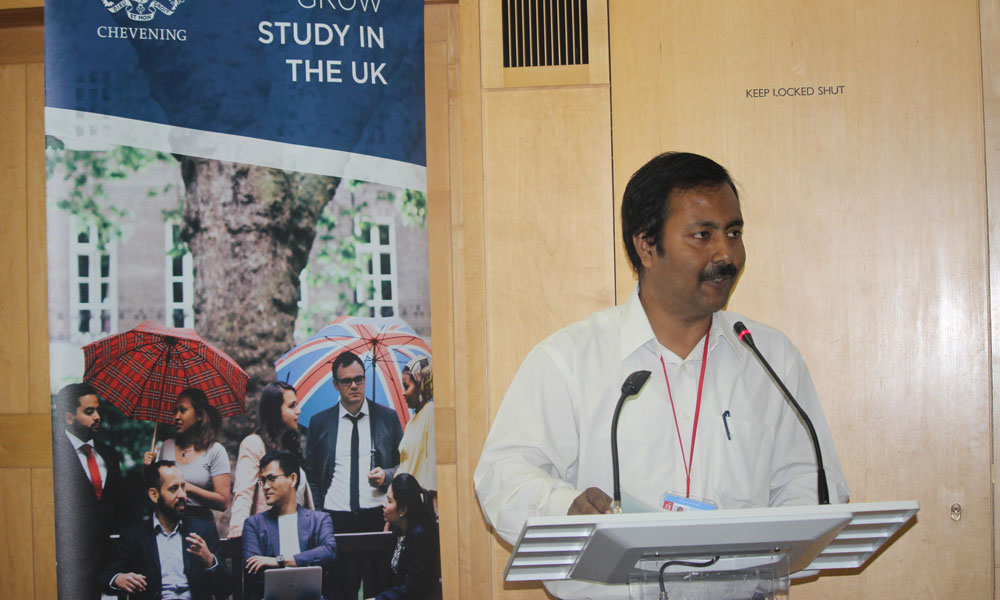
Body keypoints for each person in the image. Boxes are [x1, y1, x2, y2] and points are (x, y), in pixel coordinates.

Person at [473, 151, 850, 598]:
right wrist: (565, 507)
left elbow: (811, 483)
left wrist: (775, 544)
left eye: (733, 233)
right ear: (646, 246)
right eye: (702, 235)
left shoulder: (771, 359)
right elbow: (503, 475)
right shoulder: (572, 359)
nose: (726, 254)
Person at [304, 350, 404, 600]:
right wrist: (320, 514)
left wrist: (387, 476)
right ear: (336, 384)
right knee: (339, 590)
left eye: (359, 379)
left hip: (377, 516)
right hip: (336, 517)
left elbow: (405, 466)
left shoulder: (386, 418)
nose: (354, 386)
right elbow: (312, 475)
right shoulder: (320, 422)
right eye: (347, 381)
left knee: (379, 588)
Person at [101, 460, 230, 599]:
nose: (182, 495)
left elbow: (226, 588)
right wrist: (118, 578)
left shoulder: (202, 529)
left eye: (183, 487)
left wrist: (209, 560)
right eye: (174, 488)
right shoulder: (134, 535)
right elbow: (107, 576)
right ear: (154, 495)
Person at [52, 382, 127, 600]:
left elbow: (122, 508)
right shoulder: (53, 457)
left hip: (109, 568)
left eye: (97, 410)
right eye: (89, 411)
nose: (97, 417)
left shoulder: (108, 454)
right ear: (68, 417)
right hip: (71, 569)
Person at [242, 451, 337, 600]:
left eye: (272, 478)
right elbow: (254, 568)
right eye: (263, 480)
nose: (266, 486)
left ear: (292, 479)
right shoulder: (254, 524)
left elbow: (328, 552)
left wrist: (279, 561)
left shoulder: (318, 520)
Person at [229, 381, 315, 538]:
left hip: (297, 535)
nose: (299, 411)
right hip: (268, 536)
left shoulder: (290, 447)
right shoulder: (254, 444)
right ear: (275, 411)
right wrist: (238, 533)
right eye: (292, 406)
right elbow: (243, 493)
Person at [144, 388, 231, 529]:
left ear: (199, 416)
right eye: (174, 411)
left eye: (183, 410)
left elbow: (223, 502)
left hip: (200, 524)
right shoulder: (167, 446)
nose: (176, 416)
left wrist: (186, 487)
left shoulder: (215, 451)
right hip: (168, 522)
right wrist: (148, 469)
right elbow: (156, 492)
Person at [370, 474, 441, 600]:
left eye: (389, 501)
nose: (384, 504)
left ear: (403, 510)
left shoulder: (419, 537)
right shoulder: (398, 529)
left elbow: (413, 588)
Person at [396, 357, 436, 503]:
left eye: (407, 386)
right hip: (406, 503)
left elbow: (432, 459)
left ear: (420, 385)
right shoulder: (411, 422)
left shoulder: (431, 412)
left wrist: (432, 504)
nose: (403, 392)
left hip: (421, 504)